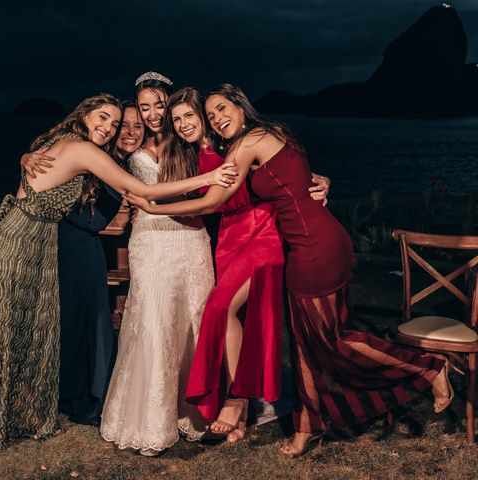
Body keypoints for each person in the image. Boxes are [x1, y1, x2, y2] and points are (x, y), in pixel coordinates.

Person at [123, 84, 454, 457]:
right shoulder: (213, 148)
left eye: (205, 113)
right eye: (182, 117)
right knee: (299, 340)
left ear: (237, 106)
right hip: (252, 241)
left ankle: (238, 401)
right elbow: (283, 175)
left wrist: (153, 207)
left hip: (279, 238)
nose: (201, 120)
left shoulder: (248, 142)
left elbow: (220, 198)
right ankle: (296, 424)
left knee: (242, 315)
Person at [0, 93, 237, 452]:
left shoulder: (58, 140)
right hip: (15, 239)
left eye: (114, 123)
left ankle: (7, 411)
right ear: (84, 113)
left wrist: (25, 155)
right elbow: (143, 190)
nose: (108, 127)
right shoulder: (83, 150)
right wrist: (212, 175)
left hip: (37, 240)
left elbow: (37, 163)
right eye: (102, 118)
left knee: (18, 331)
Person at [159, 87, 329, 444]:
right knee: (236, 319)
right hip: (228, 241)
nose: (184, 124)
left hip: (262, 232)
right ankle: (244, 408)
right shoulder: (198, 151)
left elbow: (286, 171)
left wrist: (321, 181)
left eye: (190, 116)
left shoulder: (237, 143)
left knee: (220, 307)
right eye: (177, 120)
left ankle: (236, 400)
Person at [100, 72, 214, 456]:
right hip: (151, 241)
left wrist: (312, 177)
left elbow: (242, 160)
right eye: (144, 106)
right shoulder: (130, 145)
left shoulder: (191, 141)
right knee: (154, 321)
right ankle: (150, 418)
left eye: (158, 105)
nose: (151, 114)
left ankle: (194, 412)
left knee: (194, 319)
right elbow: (89, 150)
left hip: (191, 238)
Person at [20, 100, 145, 426]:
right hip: (60, 241)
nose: (128, 132)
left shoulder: (128, 166)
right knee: (64, 321)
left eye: (137, 126)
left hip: (86, 247)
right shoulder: (89, 152)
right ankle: (64, 394)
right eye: (122, 125)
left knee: (93, 321)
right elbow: (45, 166)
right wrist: (25, 157)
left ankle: (90, 396)